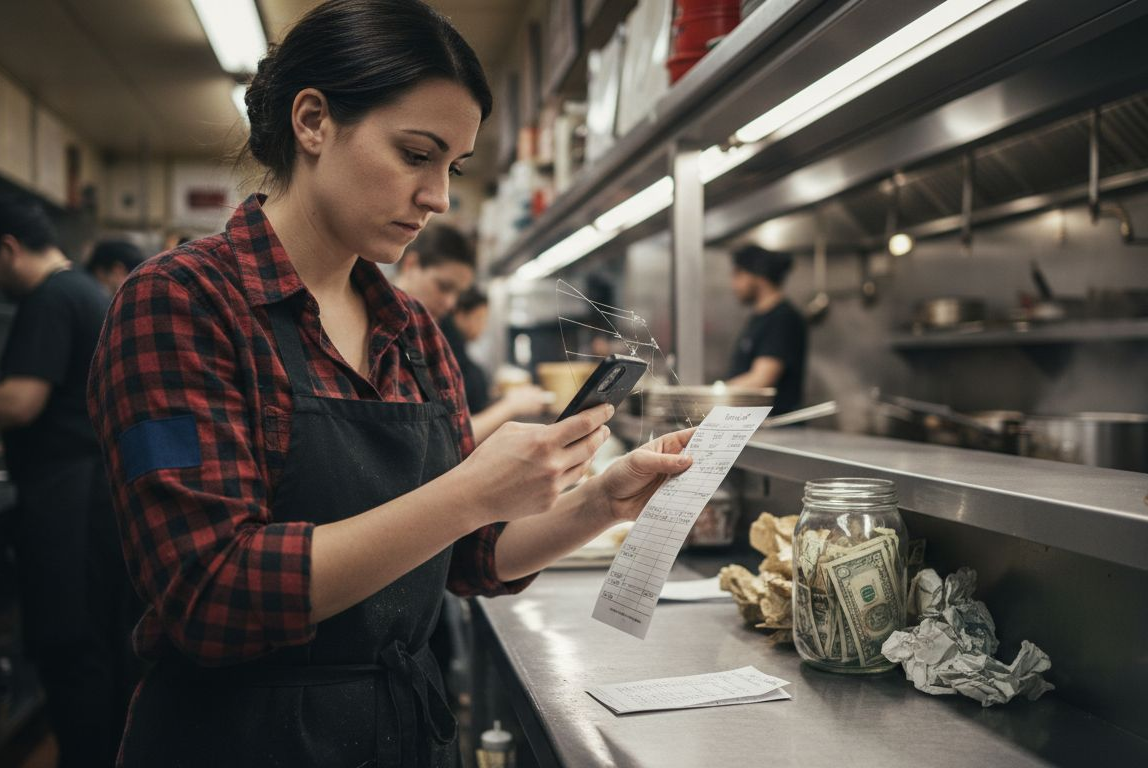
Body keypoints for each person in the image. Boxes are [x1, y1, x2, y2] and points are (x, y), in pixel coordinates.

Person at [87, 2, 694, 765]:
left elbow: (469, 555)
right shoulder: (182, 302)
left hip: (398, 735)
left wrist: (598, 504)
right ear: (313, 122)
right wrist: (471, 488)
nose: (439, 196)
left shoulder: (407, 331)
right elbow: (213, 592)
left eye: (453, 168)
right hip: (237, 739)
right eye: (416, 154)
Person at [0, 199, 138, 768]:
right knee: (103, 656)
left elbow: (21, 400)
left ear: (8, 248)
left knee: (72, 653)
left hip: (70, 505)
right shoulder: (86, 292)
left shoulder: (51, 298)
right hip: (98, 501)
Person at [396, 224, 549, 440]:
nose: (451, 304)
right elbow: (437, 441)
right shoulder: (386, 334)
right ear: (410, 265)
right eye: (443, 286)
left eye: (457, 293)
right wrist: (509, 406)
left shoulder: (428, 334)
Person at [725, 244, 808, 415]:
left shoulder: (783, 319)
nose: (734, 284)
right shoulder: (759, 318)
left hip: (777, 428)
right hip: (754, 424)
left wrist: (714, 394)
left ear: (759, 276)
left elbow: (761, 379)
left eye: (738, 274)